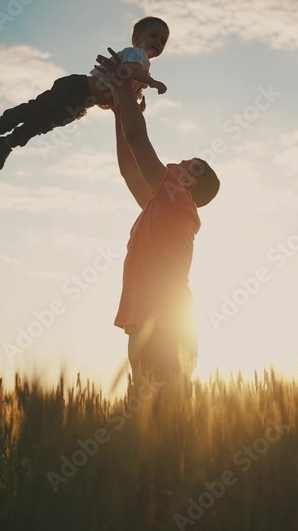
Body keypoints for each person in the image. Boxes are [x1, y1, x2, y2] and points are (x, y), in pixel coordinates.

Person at [95, 49, 220, 380]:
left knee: (162, 416)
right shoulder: (161, 208)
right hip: (149, 325)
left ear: (189, 187)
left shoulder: (178, 204)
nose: (178, 163)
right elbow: (130, 171)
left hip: (165, 327)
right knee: (150, 422)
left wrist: (123, 87)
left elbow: (139, 142)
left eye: (189, 167)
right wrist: (121, 110)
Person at [0, 17, 170, 170]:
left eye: (163, 41)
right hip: (76, 88)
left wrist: (136, 108)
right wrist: (152, 82)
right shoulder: (136, 55)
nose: (158, 42)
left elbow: (121, 96)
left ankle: (8, 142)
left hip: (82, 103)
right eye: (153, 36)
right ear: (137, 38)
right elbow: (127, 70)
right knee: (35, 110)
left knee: (43, 123)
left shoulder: (143, 70)